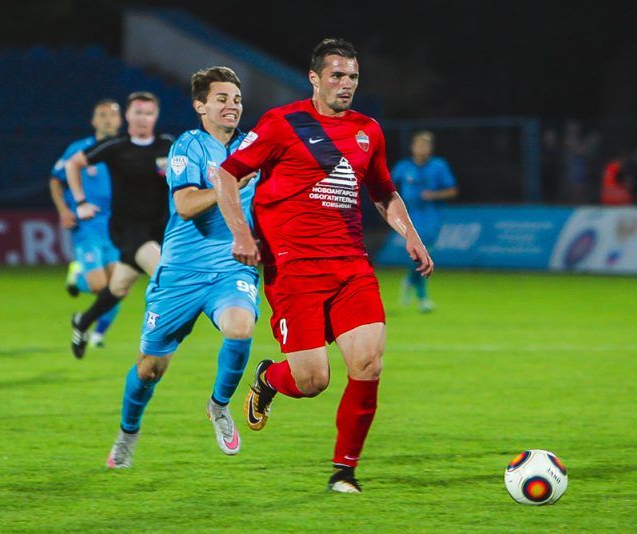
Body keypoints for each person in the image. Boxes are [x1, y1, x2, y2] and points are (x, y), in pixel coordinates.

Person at [214, 38, 433, 493]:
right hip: (293, 269)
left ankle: (344, 471)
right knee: (313, 380)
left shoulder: (368, 130)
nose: (346, 84)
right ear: (314, 78)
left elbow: (383, 191)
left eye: (353, 77)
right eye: (337, 75)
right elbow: (228, 174)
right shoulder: (282, 123)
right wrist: (240, 233)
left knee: (369, 363)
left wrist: (409, 233)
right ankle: (269, 378)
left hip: (351, 265)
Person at [107, 66, 259, 467]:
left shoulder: (254, 147)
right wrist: (228, 185)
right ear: (200, 106)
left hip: (231, 267)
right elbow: (186, 205)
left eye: (237, 99)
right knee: (150, 369)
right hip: (180, 273)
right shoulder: (188, 146)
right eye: (221, 99)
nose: (232, 106)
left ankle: (219, 406)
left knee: (241, 327)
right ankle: (128, 432)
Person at [66, 92, 174, 358]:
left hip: (158, 229)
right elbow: (74, 163)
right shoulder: (116, 146)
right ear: (128, 115)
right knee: (167, 275)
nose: (143, 118)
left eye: (148, 113)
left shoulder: (168, 145)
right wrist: (80, 202)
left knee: (118, 288)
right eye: (138, 112)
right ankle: (158, 343)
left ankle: (82, 322)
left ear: (156, 116)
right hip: (127, 230)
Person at [49, 99, 122, 348]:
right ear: (93, 121)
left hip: (116, 227)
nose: (107, 119)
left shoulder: (125, 149)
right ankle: (78, 276)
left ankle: (98, 334)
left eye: (112, 115)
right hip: (87, 225)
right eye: (102, 115)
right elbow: (55, 181)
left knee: (117, 287)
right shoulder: (78, 150)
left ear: (120, 120)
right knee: (99, 285)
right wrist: (63, 210)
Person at [391, 130, 457, 312]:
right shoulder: (403, 167)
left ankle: (409, 280)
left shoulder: (439, 166)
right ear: (412, 147)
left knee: (421, 255)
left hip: (432, 217)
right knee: (420, 254)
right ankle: (423, 298)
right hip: (409, 217)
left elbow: (452, 190)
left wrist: (434, 195)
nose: (422, 148)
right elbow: (387, 186)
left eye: (426, 145)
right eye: (419, 144)